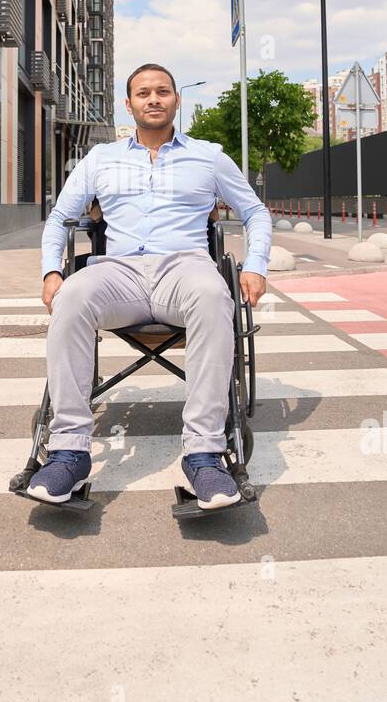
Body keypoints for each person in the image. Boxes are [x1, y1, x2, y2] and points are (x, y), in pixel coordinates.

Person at [31, 62, 272, 508]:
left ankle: (203, 455)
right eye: (143, 93)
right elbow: (61, 217)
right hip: (119, 270)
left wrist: (255, 265)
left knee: (213, 294)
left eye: (162, 91)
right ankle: (68, 451)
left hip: (184, 269)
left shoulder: (209, 155)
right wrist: (51, 271)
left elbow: (255, 212)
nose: (153, 99)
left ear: (177, 99)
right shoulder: (101, 158)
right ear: (129, 104)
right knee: (72, 296)